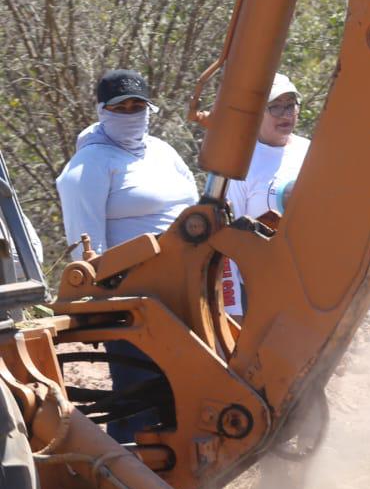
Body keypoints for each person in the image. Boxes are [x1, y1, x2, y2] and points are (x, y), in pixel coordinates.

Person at [56, 69, 198, 442]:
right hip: (133, 299)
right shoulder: (90, 164)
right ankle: (131, 464)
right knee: (140, 392)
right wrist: (103, 300)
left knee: (184, 386)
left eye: (138, 105)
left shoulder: (163, 152)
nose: (132, 113)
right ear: (103, 110)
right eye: (121, 107)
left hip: (186, 289)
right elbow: (86, 243)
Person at [219, 73, 311, 316]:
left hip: (308, 285)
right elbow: (228, 241)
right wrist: (234, 310)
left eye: (290, 105)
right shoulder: (240, 162)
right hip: (257, 291)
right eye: (275, 107)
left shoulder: (311, 150)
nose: (286, 114)